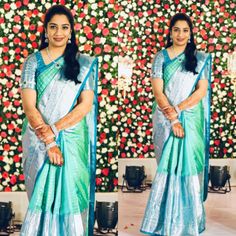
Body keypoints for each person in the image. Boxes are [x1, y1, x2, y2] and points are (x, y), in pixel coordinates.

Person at [20, 5, 98, 236]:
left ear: (71, 31)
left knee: (71, 196)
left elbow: (85, 104)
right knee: (41, 198)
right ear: (45, 30)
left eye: (64, 27)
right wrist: (49, 141)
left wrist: (55, 129)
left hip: (72, 139)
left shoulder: (82, 63)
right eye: (53, 27)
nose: (58, 33)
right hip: (38, 140)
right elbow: (29, 106)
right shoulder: (32, 62)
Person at [140, 13, 211, 236]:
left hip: (191, 119)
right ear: (170, 32)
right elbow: (158, 92)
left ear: (190, 34)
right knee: (167, 168)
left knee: (189, 168)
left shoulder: (199, 59)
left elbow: (201, 90)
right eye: (176, 30)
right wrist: (172, 118)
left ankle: (188, 222)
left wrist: (179, 111)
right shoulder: (160, 58)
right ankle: (164, 221)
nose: (180, 34)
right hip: (164, 119)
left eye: (185, 30)